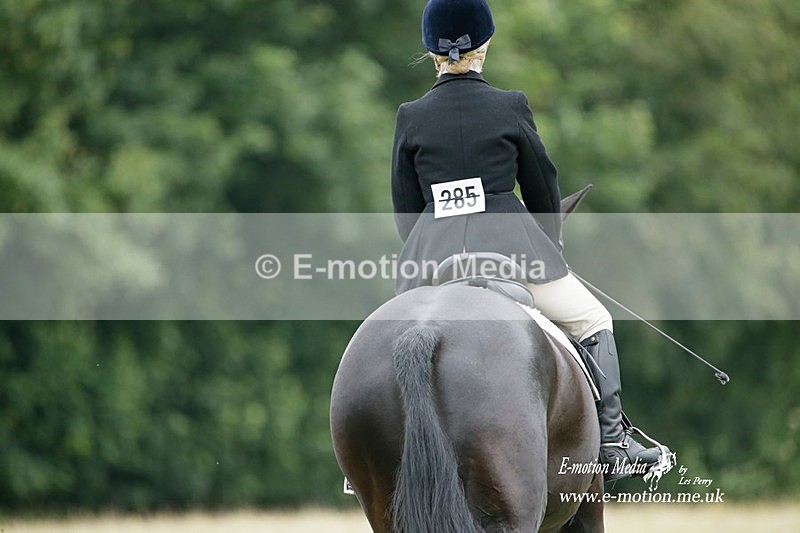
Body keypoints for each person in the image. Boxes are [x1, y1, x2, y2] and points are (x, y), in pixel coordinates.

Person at [391, 0, 670, 479]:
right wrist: (548, 243)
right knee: (593, 318)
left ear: (432, 53)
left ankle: (371, 462)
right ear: (484, 45)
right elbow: (543, 188)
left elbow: (405, 212)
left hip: (432, 260)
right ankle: (612, 443)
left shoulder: (410, 116)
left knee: (393, 338)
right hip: (512, 253)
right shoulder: (509, 105)